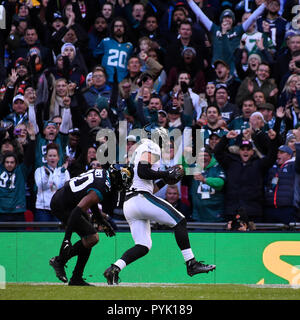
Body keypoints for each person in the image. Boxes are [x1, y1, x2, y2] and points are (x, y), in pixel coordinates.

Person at [103, 125, 216, 285]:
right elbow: (143, 172)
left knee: (143, 245)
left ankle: (114, 269)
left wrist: (165, 178)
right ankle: (191, 263)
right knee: (180, 220)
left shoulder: (138, 149)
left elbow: (151, 186)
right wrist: (166, 172)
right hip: (140, 198)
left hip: (130, 203)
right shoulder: (151, 146)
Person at [49, 164, 133, 286]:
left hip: (68, 199)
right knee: (93, 237)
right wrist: (67, 238)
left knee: (89, 237)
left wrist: (101, 220)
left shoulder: (104, 175)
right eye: (124, 180)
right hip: (64, 205)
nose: (124, 184)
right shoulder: (104, 186)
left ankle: (76, 277)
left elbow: (90, 197)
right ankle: (59, 261)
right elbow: (77, 211)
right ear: (117, 177)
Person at [186, 0, 268, 75]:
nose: (227, 20)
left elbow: (253, 17)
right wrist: (190, 2)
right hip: (216, 68)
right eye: (225, 18)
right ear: (221, 20)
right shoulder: (214, 29)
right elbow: (200, 15)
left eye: (230, 18)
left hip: (231, 69)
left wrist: (265, 4)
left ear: (233, 20)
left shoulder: (237, 30)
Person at [214, 130, 277, 222]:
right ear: (239, 151)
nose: (245, 152)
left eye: (248, 149)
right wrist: (225, 138)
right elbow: (217, 152)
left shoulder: (259, 164)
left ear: (252, 152)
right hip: (232, 210)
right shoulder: (231, 163)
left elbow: (272, 157)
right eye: (243, 149)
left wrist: (272, 141)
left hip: (253, 211)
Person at [34, 143, 70, 225]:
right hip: (43, 209)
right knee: (44, 235)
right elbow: (41, 186)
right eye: (50, 156)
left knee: (58, 235)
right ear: (45, 158)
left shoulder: (64, 171)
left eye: (54, 156)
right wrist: (46, 176)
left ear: (58, 158)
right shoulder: (39, 170)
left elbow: (63, 188)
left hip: (59, 208)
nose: (52, 158)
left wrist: (62, 173)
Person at [190, 147, 225, 222]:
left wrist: (205, 180)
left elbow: (221, 183)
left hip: (215, 215)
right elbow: (181, 166)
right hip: (198, 215)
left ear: (210, 157)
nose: (203, 158)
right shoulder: (194, 168)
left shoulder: (217, 167)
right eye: (200, 156)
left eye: (205, 155)